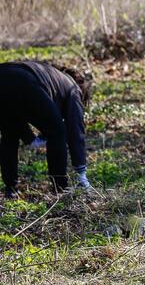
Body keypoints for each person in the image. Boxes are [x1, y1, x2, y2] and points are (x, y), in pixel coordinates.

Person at [0, 61, 93, 198]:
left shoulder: (51, 76)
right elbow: (75, 131)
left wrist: (30, 139)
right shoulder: (74, 89)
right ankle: (60, 188)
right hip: (23, 80)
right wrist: (81, 172)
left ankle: (11, 190)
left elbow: (15, 112)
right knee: (58, 132)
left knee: (9, 135)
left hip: (4, 73)